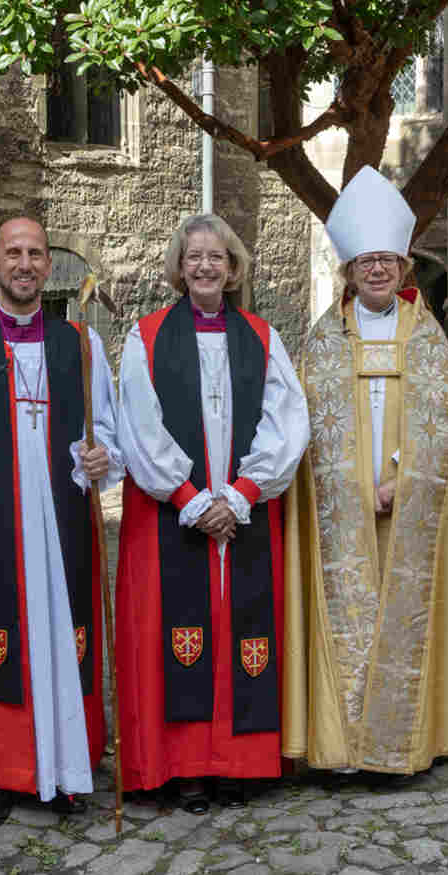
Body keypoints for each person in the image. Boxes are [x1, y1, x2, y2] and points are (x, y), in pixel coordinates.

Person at [282, 166, 448, 775]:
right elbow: (300, 427)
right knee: (343, 617)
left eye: (389, 260)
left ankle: (404, 745)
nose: (378, 270)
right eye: (367, 262)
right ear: (349, 271)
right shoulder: (321, 342)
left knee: (408, 617)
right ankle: (340, 747)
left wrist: (403, 478)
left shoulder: (428, 341)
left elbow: (443, 426)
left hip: (406, 500)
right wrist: (349, 488)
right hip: (342, 511)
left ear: (404, 268)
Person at [0, 217, 123, 821]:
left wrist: (98, 455)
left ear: (47, 266)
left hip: (60, 524)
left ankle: (63, 766)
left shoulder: (80, 345)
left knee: (60, 639)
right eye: (14, 252)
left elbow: (105, 426)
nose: (26, 264)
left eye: (36, 253)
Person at [115, 214, 309, 813]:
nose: (204, 267)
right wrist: (194, 501)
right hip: (175, 518)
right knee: (181, 635)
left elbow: (288, 422)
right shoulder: (144, 338)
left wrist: (244, 494)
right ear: (178, 267)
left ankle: (237, 764)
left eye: (216, 257)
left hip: (244, 518)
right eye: (193, 256)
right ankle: (185, 768)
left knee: (240, 633)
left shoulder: (262, 336)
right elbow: (139, 430)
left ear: (233, 268)